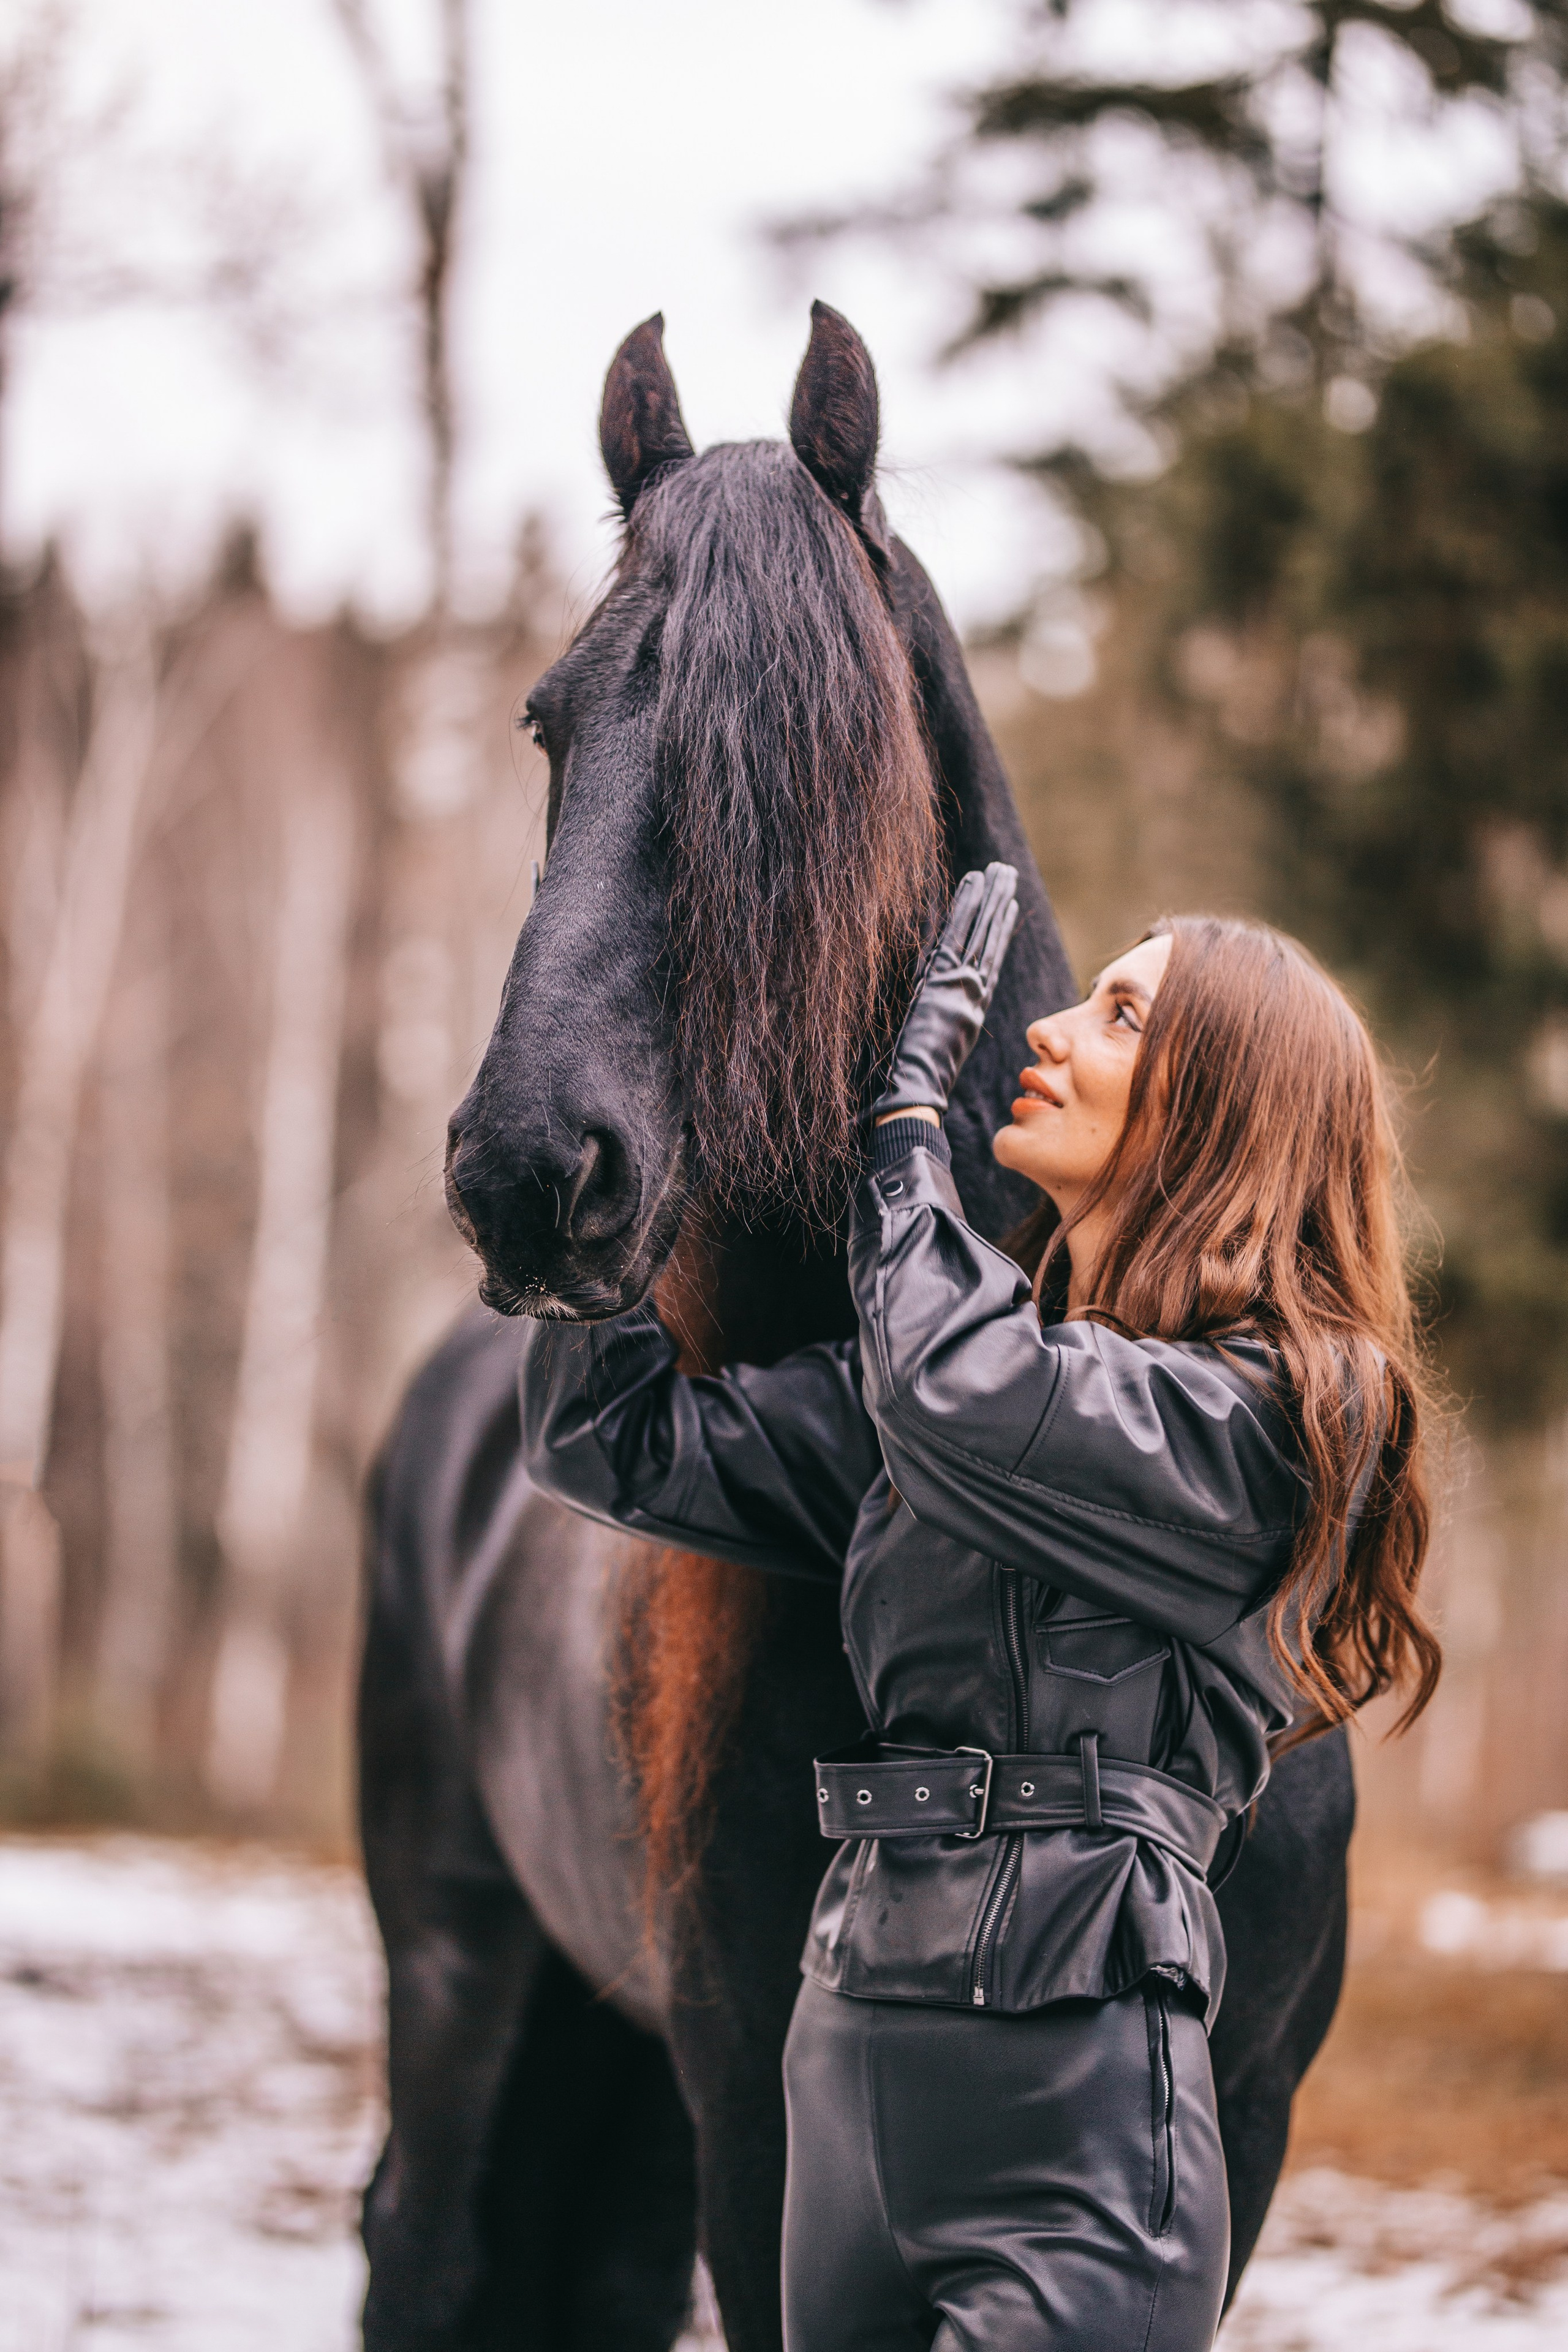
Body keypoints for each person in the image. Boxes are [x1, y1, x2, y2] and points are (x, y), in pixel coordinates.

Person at [517, 864, 1441, 2352]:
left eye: (1121, 1014)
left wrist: (901, 1134)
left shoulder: (1291, 1413)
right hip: (845, 2069)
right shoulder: (940, 1389)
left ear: (1228, 1108)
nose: (1054, 1028)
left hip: (1072, 2115)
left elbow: (968, 1392)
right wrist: (603, 1166)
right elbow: (610, 1444)